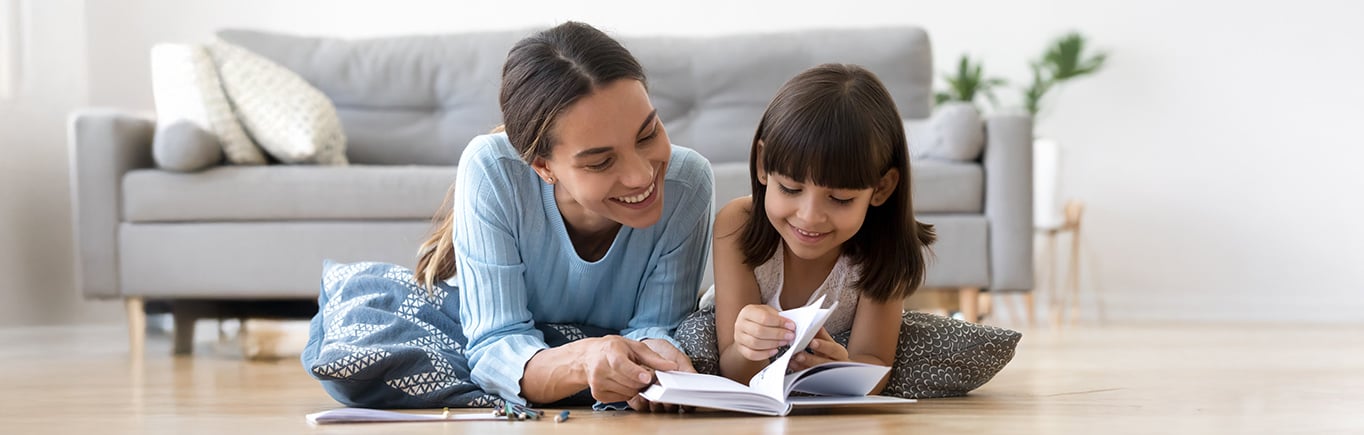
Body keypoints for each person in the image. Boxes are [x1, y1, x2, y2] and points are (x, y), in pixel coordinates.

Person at [307, 21, 712, 411]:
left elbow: (656, 328)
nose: (642, 174)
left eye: (648, 134)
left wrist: (654, 360)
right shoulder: (492, 169)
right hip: (496, 327)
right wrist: (586, 358)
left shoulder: (688, 182)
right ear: (543, 167)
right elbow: (496, 342)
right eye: (601, 162)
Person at [710, 64, 936, 393]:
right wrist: (748, 346)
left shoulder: (885, 249)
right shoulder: (738, 224)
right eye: (789, 188)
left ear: (882, 188)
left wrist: (840, 370)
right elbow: (733, 370)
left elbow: (874, 363)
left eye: (840, 198)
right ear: (763, 164)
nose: (810, 216)